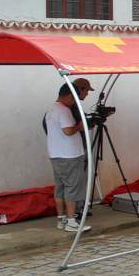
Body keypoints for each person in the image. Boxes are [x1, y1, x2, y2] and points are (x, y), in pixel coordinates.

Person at [45, 83, 92, 233]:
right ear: (70, 95)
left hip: (56, 155)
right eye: (75, 98)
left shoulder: (51, 109)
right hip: (69, 156)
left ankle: (61, 219)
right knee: (72, 187)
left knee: (60, 188)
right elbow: (68, 131)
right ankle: (72, 221)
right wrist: (80, 126)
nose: (75, 102)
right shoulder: (64, 111)